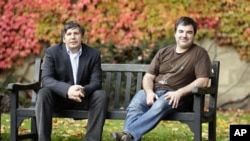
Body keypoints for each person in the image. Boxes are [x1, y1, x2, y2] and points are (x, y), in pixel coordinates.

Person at [110, 16, 213, 141]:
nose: (184, 35)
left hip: (179, 97)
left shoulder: (199, 53)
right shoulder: (164, 52)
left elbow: (203, 81)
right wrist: (149, 92)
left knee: (160, 105)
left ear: (194, 35)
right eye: (181, 31)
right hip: (155, 92)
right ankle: (128, 137)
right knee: (137, 102)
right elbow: (148, 76)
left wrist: (179, 92)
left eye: (189, 32)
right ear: (175, 33)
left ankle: (128, 134)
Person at [36, 21, 108, 141]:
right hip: (60, 99)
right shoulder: (52, 52)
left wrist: (82, 90)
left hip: (82, 98)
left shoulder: (93, 54)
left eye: (76, 33)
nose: (73, 37)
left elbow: (96, 82)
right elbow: (47, 79)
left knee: (101, 95)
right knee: (43, 93)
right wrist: (68, 89)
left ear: (82, 37)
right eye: (69, 34)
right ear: (64, 38)